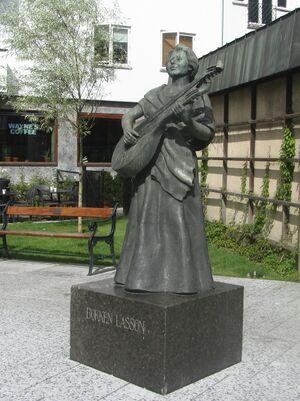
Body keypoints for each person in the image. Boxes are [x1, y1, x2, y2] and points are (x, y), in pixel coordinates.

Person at [114, 44, 215, 294]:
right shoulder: (154, 94)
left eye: (179, 58)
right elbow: (129, 115)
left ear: (191, 66)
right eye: (170, 58)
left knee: (177, 218)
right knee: (145, 218)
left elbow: (207, 133)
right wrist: (128, 129)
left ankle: (182, 280)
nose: (173, 62)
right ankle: (138, 277)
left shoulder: (198, 93)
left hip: (178, 163)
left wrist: (188, 121)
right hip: (148, 164)